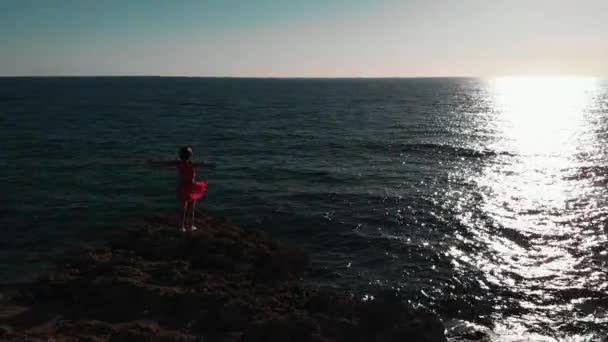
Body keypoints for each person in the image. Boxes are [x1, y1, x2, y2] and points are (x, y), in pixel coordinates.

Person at [148, 146, 214, 232]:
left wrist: (153, 163)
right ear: (189, 155)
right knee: (191, 208)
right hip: (192, 186)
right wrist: (209, 165)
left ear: (181, 155)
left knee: (183, 209)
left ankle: (181, 227)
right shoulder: (191, 163)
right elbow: (203, 164)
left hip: (183, 186)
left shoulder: (178, 163)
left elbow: (165, 163)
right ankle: (190, 226)